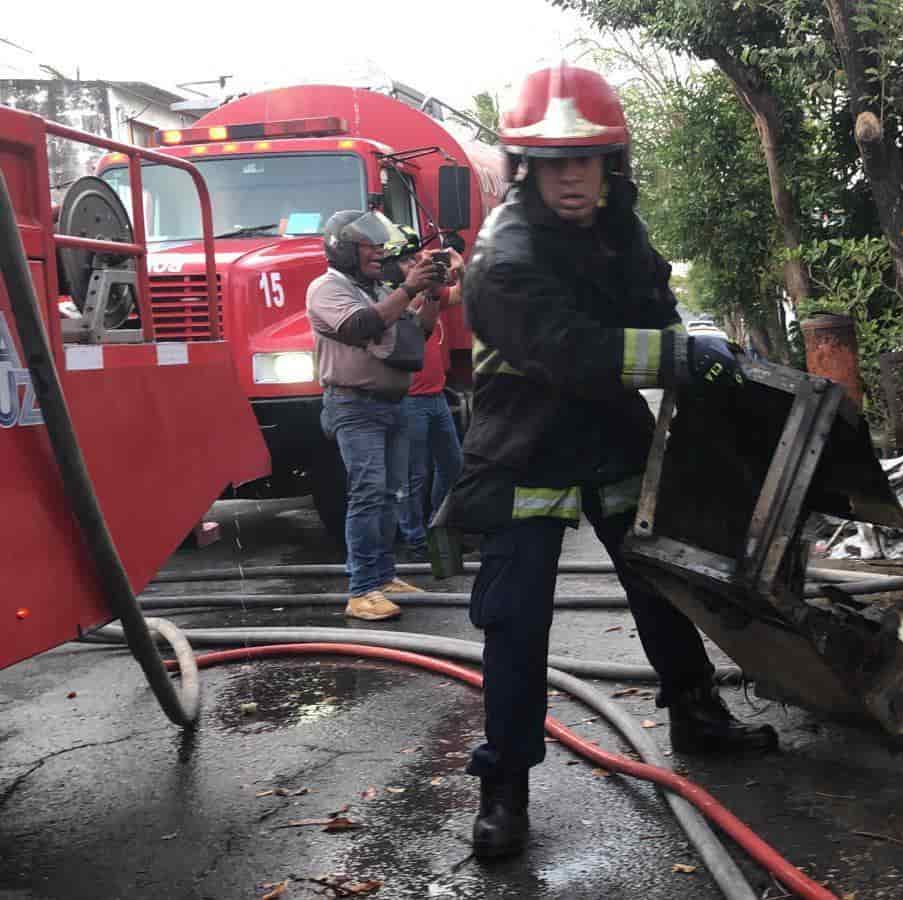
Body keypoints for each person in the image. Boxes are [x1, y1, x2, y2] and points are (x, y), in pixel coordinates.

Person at [433, 62, 779, 859]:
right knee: (517, 625)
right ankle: (505, 790)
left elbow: (654, 307)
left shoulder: (621, 227)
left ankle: (695, 713)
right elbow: (576, 350)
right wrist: (680, 354)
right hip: (526, 445)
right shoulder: (502, 255)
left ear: (610, 161)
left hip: (609, 434)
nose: (571, 179)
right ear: (526, 166)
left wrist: (694, 355)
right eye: (554, 163)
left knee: (663, 585)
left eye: (584, 160)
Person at [307, 209, 444, 621]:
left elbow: (415, 332)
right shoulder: (327, 289)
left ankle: (382, 576)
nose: (379, 252)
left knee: (389, 494)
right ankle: (362, 589)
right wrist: (407, 289)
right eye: (370, 246)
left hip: (390, 404)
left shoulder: (374, 288)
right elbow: (361, 327)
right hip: (355, 406)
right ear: (345, 249)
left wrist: (433, 294)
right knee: (368, 495)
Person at [383, 228, 466, 562]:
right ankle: (414, 540)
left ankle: (436, 525)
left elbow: (463, 294)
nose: (413, 264)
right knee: (414, 474)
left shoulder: (429, 292)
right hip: (410, 399)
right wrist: (424, 276)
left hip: (435, 397)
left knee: (452, 467)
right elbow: (409, 308)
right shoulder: (393, 296)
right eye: (406, 260)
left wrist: (460, 267)